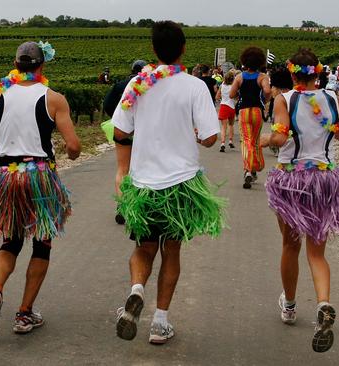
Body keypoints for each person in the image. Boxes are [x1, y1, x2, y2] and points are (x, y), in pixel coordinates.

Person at [112, 21, 225, 345]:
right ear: (184, 48)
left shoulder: (138, 83)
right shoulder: (194, 86)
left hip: (145, 184)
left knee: (143, 247)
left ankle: (136, 291)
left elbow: (120, 131)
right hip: (181, 185)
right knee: (171, 250)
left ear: (153, 50)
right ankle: (160, 323)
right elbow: (211, 137)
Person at [0, 41, 81, 334]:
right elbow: (73, 146)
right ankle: (24, 314)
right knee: (41, 243)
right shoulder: (54, 98)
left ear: (16, 64)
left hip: (7, 176)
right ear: (42, 65)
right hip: (40, 176)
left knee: (11, 240)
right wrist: (71, 154)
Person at [260, 48, 339, 353]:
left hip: (292, 181)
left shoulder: (285, 99)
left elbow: (280, 137)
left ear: (293, 74)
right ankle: (323, 304)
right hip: (324, 181)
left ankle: (290, 306)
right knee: (317, 252)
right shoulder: (334, 99)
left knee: (290, 245)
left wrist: (268, 139)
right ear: (317, 73)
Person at [103, 59, 147, 224]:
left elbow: (107, 104)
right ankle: (140, 205)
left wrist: (118, 118)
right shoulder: (150, 85)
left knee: (122, 169)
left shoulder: (120, 85)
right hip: (142, 131)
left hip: (123, 131)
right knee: (142, 167)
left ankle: (122, 206)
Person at [229, 46, 271, 188]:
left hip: (244, 112)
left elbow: (231, 94)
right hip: (257, 112)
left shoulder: (239, 77)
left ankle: (248, 170)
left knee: (246, 140)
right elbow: (267, 90)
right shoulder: (262, 77)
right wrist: (265, 100)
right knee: (255, 140)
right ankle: (254, 168)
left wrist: (239, 95)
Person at [215, 70, 237, 152]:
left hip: (224, 106)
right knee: (231, 125)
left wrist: (222, 98)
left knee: (223, 127)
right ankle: (230, 141)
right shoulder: (233, 87)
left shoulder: (222, 86)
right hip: (231, 106)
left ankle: (223, 143)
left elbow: (217, 97)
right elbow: (235, 97)